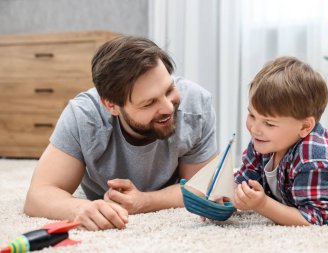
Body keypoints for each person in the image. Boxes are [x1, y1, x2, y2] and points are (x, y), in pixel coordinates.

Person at [24, 35, 217, 231]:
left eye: (169, 90)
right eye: (149, 102)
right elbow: (38, 195)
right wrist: (80, 208)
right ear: (111, 105)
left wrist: (145, 201)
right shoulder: (83, 116)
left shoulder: (196, 106)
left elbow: (202, 187)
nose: (168, 108)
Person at [233, 56, 328, 226]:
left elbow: (315, 218)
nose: (254, 128)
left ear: (304, 126)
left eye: (269, 123)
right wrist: (228, 195)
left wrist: (263, 204)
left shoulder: (313, 157)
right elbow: (243, 180)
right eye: (252, 115)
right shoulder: (263, 139)